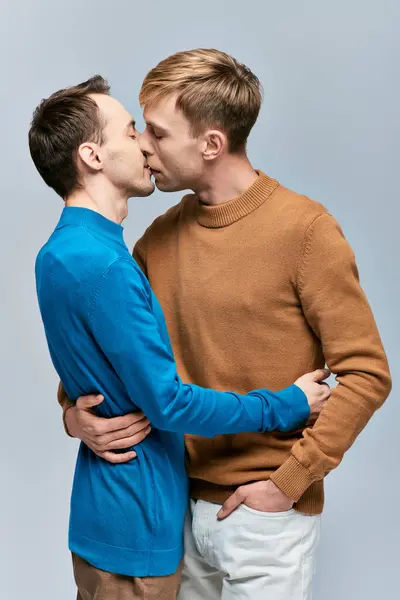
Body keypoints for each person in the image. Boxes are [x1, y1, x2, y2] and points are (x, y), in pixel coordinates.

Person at [60, 49, 392, 600]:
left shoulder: (305, 231)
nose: (142, 144)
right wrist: (73, 414)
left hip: (265, 520)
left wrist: (289, 483)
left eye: (159, 134)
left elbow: (366, 374)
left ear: (211, 144)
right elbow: (108, 348)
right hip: (173, 513)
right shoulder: (156, 241)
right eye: (140, 127)